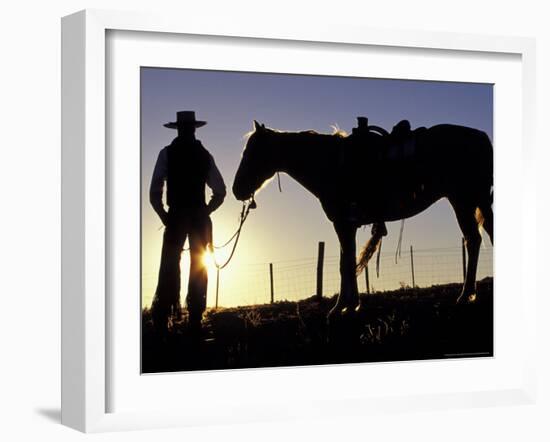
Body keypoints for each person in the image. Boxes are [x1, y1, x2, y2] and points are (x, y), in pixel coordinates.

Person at [149, 111, 226, 334]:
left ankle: (163, 316)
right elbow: (220, 191)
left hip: (175, 217)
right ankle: (195, 317)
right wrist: (206, 211)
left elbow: (154, 191)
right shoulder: (204, 155)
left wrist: (165, 216)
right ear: (193, 129)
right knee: (199, 265)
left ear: (179, 129)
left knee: (169, 265)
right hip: (198, 218)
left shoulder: (167, 154)